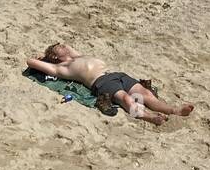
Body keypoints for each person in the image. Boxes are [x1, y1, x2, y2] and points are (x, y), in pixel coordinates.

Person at [26, 44, 194, 125]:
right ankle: (149, 117)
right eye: (58, 47)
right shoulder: (59, 68)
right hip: (100, 82)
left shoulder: (77, 56)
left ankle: (175, 110)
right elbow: (30, 61)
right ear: (54, 56)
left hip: (115, 75)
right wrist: (45, 55)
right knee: (127, 99)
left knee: (146, 94)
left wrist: (60, 49)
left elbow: (68, 46)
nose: (63, 45)